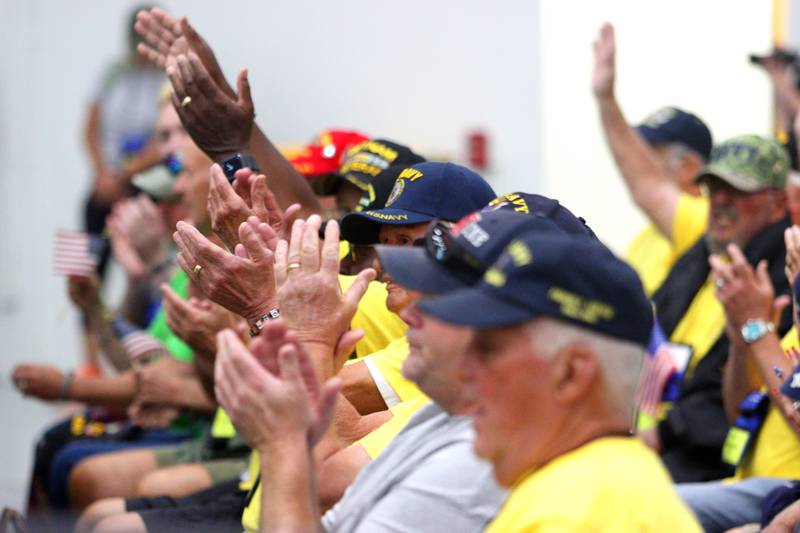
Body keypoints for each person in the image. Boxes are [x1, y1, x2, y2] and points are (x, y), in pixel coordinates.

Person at [417, 230, 702, 531]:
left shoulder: (575, 514)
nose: (462, 370)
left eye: (489, 349)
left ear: (571, 375)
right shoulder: (583, 483)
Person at [644, 133, 793, 483]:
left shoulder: (785, 269)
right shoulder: (704, 251)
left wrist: (754, 327)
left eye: (737, 191)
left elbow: (746, 408)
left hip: (707, 456)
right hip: (653, 425)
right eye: (713, 188)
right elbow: (649, 332)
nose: (721, 201)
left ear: (778, 202)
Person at [591, 22, 712, 295]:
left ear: (689, 167)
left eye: (647, 153)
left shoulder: (706, 223)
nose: (635, 162)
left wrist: (606, 100)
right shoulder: (645, 237)